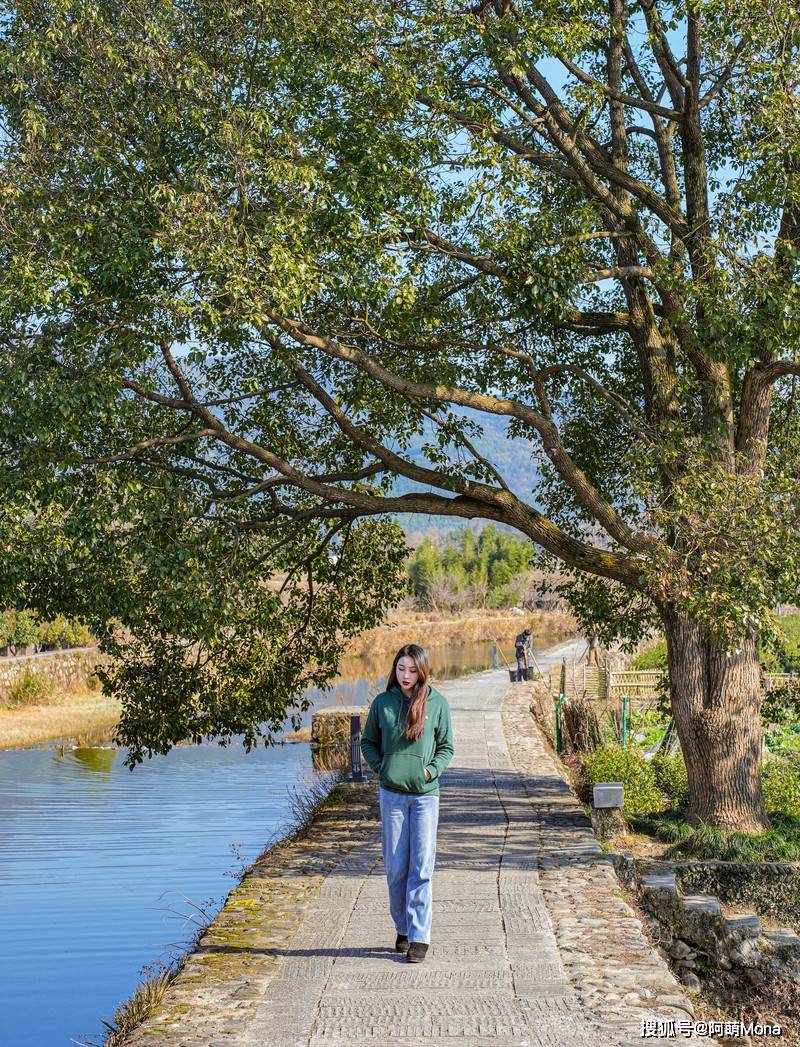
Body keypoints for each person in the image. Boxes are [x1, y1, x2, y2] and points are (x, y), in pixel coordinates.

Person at [360, 643, 454, 963]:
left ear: (423, 671)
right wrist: (383, 768)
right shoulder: (383, 703)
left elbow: (446, 747)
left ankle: (419, 937)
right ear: (394, 669)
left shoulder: (437, 704)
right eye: (401, 668)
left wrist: (430, 770)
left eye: (412, 670)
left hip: (426, 797)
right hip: (392, 796)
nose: (406, 675)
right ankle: (402, 927)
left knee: (421, 867)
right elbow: (368, 742)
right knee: (397, 868)